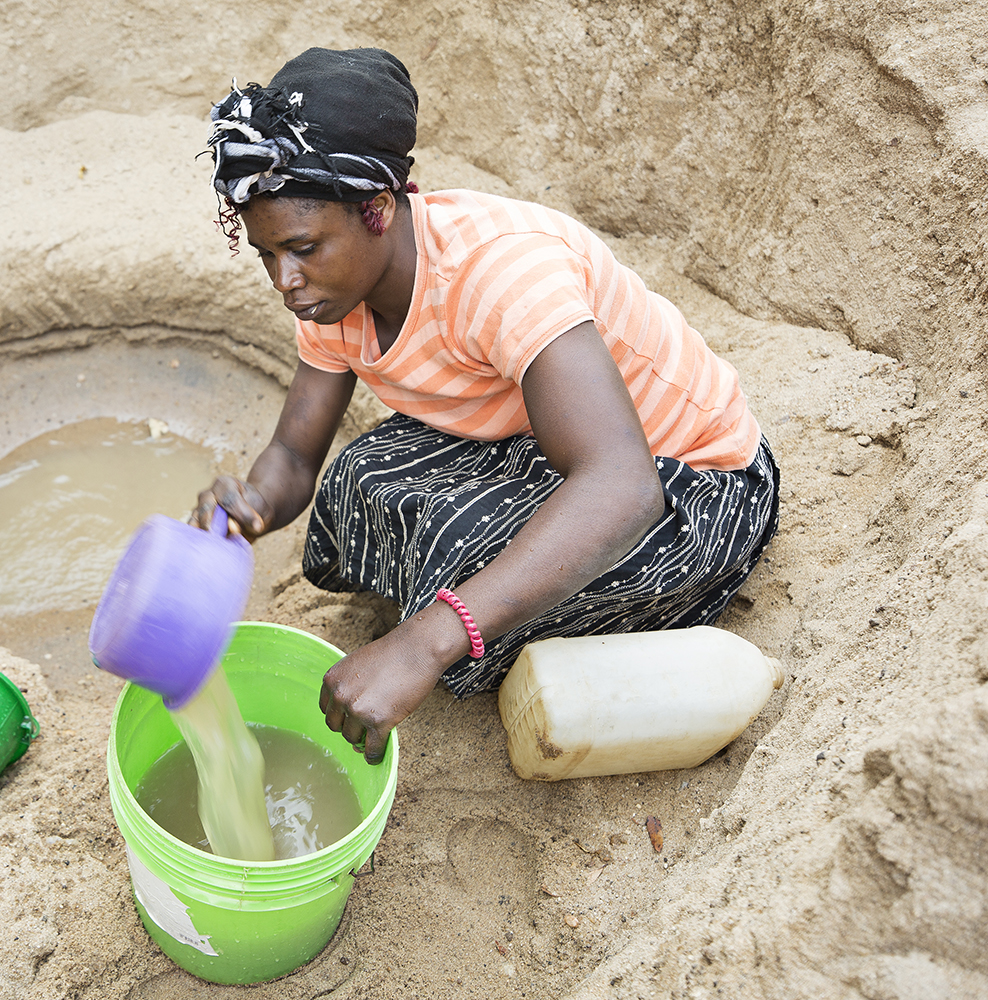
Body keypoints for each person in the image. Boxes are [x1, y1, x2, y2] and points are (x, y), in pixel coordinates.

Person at [193, 47, 779, 766]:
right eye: (266, 254)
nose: (285, 280)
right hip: (547, 438)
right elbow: (293, 454)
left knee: (463, 563)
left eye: (303, 248)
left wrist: (424, 642)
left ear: (378, 208)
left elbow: (623, 487)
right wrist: (249, 507)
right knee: (361, 477)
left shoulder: (503, 272)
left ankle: (471, 633)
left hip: (691, 482)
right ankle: (449, 613)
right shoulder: (331, 295)